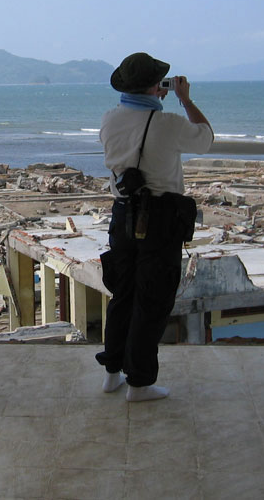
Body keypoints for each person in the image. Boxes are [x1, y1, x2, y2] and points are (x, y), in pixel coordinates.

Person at [96, 52, 213, 402]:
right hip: (160, 220)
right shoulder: (169, 123)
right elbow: (205, 138)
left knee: (123, 295)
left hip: (123, 215)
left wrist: (150, 100)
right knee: (152, 300)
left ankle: (112, 373)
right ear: (154, 86)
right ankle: (140, 383)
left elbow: (132, 131)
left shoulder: (109, 120)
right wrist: (185, 99)